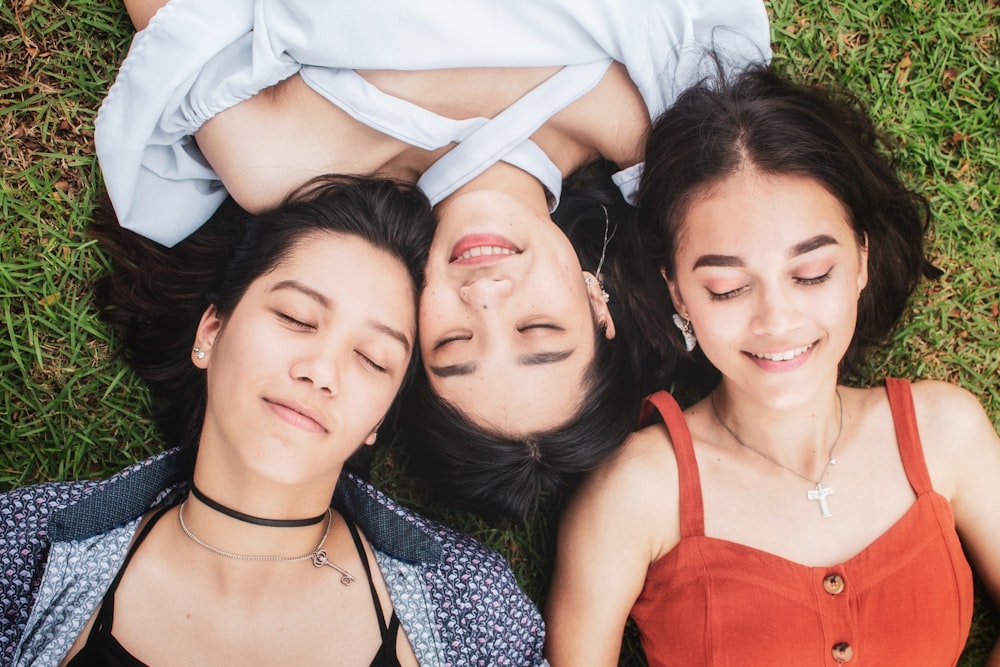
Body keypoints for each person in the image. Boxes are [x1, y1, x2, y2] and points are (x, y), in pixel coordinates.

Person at [94, 0, 772, 520]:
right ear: (598, 303)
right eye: (539, 330)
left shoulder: (273, 155)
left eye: (454, 342)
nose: (486, 298)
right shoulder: (674, 119)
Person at [545, 65, 1000, 665]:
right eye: (728, 288)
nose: (776, 320)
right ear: (678, 293)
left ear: (861, 260)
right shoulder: (635, 494)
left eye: (811, 274)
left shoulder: (945, 433)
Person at [0, 176, 548, 665]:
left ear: (378, 418)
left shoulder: (470, 603)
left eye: (373, 359)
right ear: (210, 333)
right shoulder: (21, 549)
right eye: (295, 317)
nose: (320, 371)